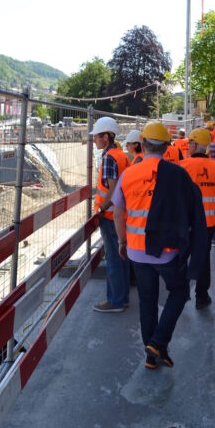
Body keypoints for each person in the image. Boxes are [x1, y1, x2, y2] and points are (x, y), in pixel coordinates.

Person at [112, 121, 207, 369]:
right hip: (166, 252)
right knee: (180, 292)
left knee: (147, 301)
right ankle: (157, 342)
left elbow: (118, 212)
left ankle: (151, 355)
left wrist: (122, 241)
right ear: (166, 148)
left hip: (136, 250)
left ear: (142, 145)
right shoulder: (177, 174)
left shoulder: (128, 174)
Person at [179, 128, 215, 309]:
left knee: (182, 257)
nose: (188, 145)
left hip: (187, 222)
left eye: (190, 142)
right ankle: (202, 297)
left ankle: (181, 294)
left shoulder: (183, 166)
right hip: (208, 223)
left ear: (196, 145)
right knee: (204, 259)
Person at [91, 116, 130, 312]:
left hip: (109, 217)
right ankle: (122, 297)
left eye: (96, 136)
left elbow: (113, 191)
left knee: (114, 259)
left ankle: (115, 301)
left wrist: (100, 208)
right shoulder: (121, 155)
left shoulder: (108, 158)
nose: (94, 140)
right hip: (121, 215)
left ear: (105, 137)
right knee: (122, 258)